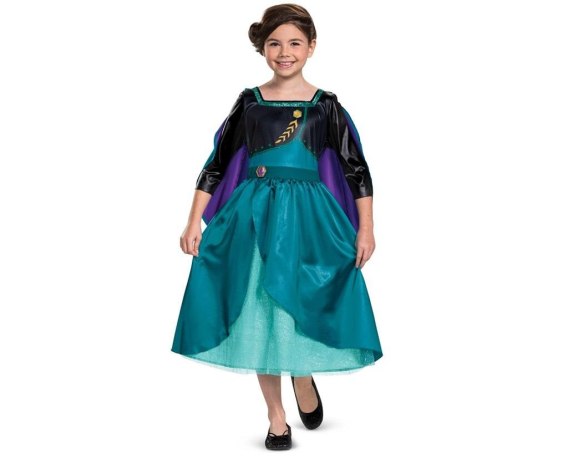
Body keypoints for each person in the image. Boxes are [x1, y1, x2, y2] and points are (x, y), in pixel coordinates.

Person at [171, 3, 383, 451]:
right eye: (274, 44)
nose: (284, 52)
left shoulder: (325, 106)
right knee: (259, 309)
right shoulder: (250, 102)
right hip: (253, 213)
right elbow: (217, 163)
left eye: (294, 43)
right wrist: (193, 221)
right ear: (262, 48)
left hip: (307, 217)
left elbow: (356, 170)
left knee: (294, 299)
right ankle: (276, 416)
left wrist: (366, 228)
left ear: (311, 47)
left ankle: (301, 373)